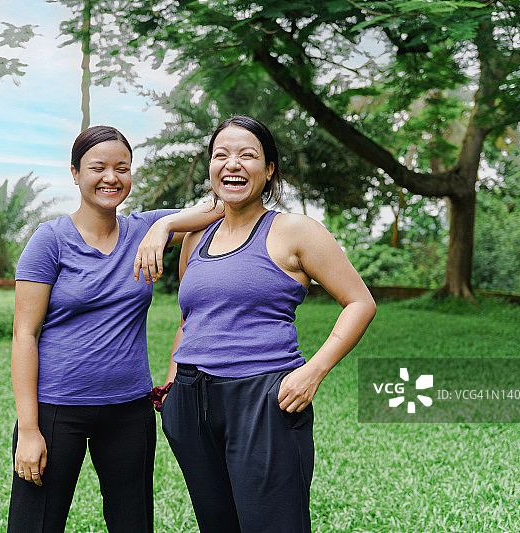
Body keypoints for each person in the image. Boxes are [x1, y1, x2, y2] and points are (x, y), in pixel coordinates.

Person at [158, 116, 376, 533]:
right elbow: (191, 319)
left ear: (269, 168)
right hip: (190, 401)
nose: (232, 164)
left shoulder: (295, 231)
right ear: (210, 167)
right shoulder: (195, 237)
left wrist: (313, 371)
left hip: (263, 400)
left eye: (248, 155)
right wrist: (170, 393)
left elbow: (359, 303)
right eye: (220, 155)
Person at [7, 125, 222, 533]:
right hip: (56, 411)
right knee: (33, 525)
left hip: (129, 410)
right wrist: (29, 430)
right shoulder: (49, 241)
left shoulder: (145, 229)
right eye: (98, 167)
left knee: (133, 524)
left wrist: (162, 228)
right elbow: (24, 335)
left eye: (122, 168)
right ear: (75, 173)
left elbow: (220, 205)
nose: (111, 177)